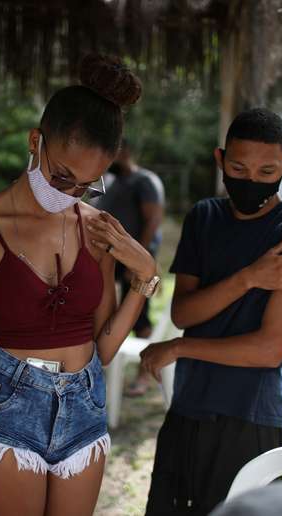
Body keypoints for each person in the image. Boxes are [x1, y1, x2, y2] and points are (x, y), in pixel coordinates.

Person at [0, 54, 159, 516]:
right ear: (35, 141)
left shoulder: (99, 229)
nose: (69, 192)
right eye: (62, 175)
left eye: (86, 184)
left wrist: (145, 276)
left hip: (86, 405)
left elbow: (101, 350)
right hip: (11, 405)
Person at [139, 108, 282, 516]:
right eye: (239, 167)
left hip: (250, 415)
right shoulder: (204, 216)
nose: (252, 180)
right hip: (188, 405)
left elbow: (269, 350)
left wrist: (181, 349)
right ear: (220, 159)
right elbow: (185, 312)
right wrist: (250, 277)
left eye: (267, 170)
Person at [98, 139, 164, 396]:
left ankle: (144, 375)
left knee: (140, 317)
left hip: (135, 264)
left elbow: (153, 219)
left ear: (123, 153)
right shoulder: (112, 181)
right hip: (110, 260)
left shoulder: (145, 181)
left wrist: (139, 259)